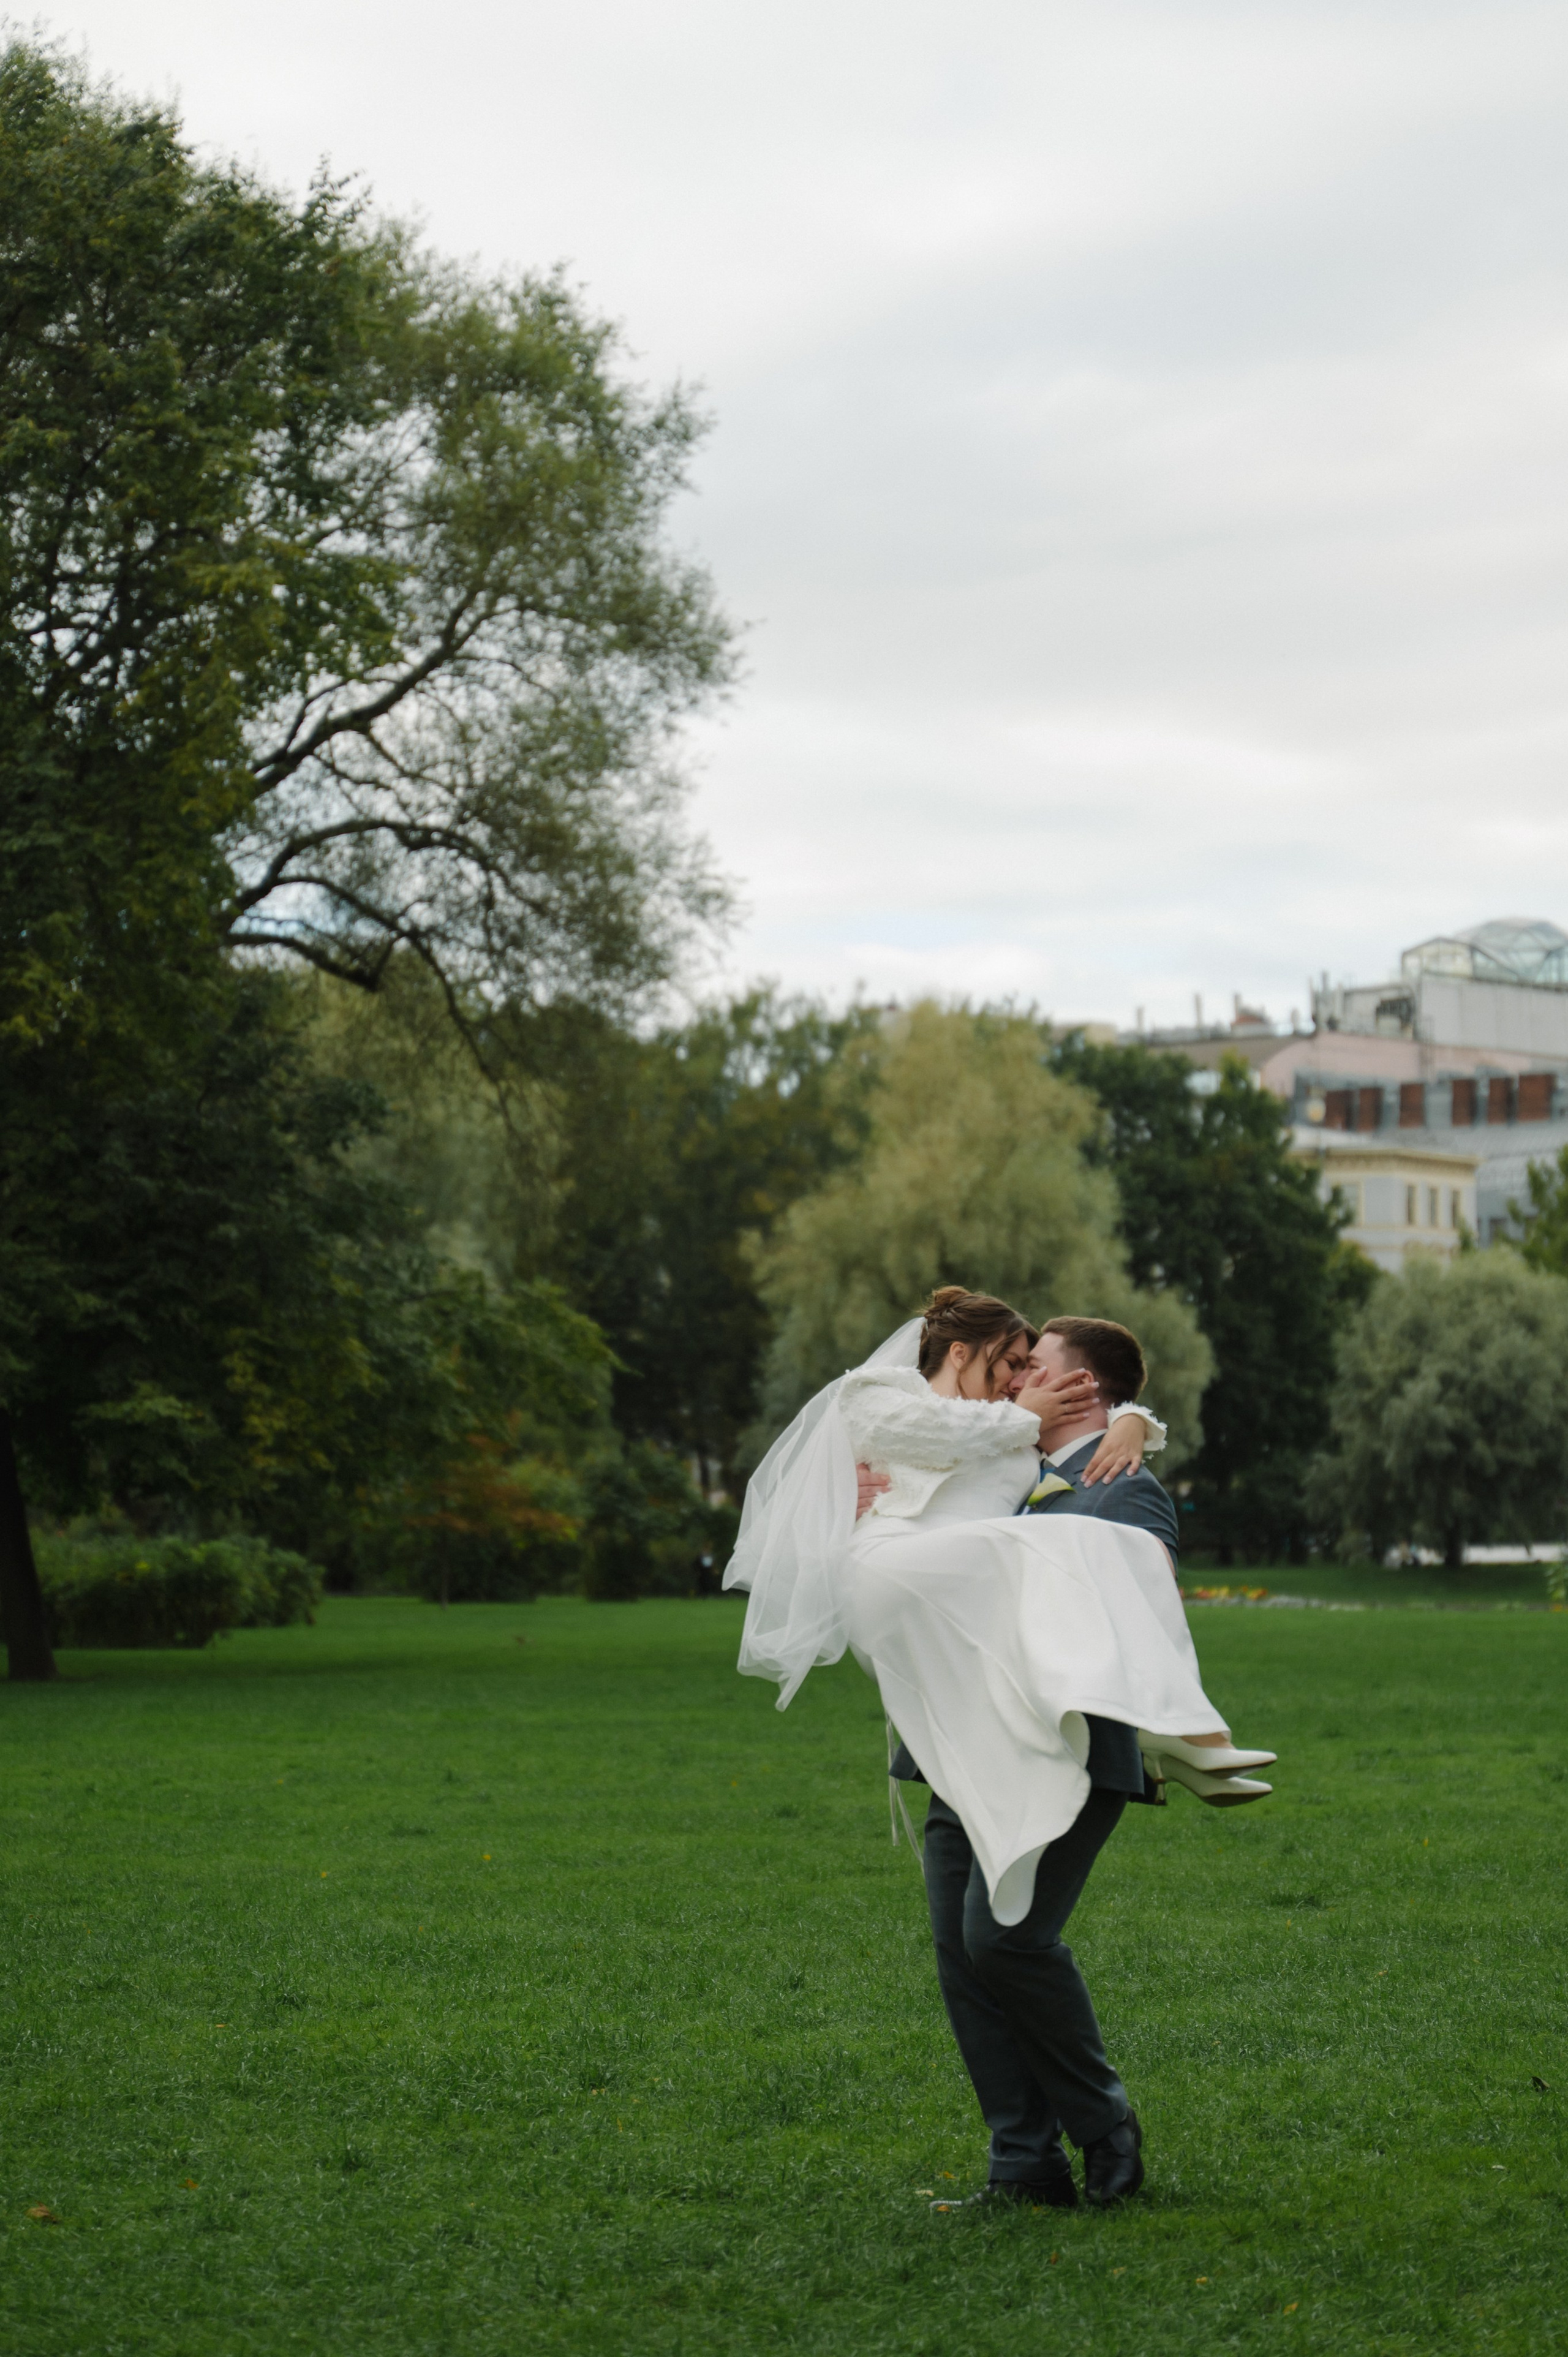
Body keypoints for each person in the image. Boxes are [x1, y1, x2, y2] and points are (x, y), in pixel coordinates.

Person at [725, 1286, 1274, 2209]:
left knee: (1006, 1939)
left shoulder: (1121, 1482)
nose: (1017, 1379)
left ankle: (1106, 2129)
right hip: (955, 1747)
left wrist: (1134, 1423)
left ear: (1080, 1384)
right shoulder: (1008, 1454)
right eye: (1013, 1364)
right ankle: (1023, 2165)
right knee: (962, 1953)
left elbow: (1131, 1578)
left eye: (1035, 1366)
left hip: (1072, 1749)